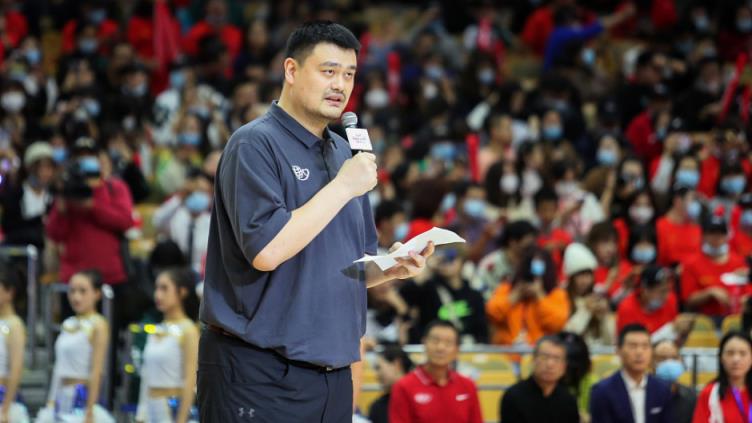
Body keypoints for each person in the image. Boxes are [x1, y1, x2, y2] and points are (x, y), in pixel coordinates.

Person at [197, 21, 435, 423]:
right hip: (258, 370)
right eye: (328, 71)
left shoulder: (345, 155)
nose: (340, 85)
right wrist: (343, 186)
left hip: (332, 374)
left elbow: (348, 265)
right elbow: (267, 250)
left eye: (349, 74)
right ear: (291, 70)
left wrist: (389, 268)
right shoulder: (255, 143)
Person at [36, 270, 114, 423]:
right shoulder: (68, 324)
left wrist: (90, 410)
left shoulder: (98, 324)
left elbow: (97, 370)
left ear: (97, 294)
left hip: (81, 397)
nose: (76, 297)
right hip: (61, 396)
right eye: (72, 291)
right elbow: (59, 367)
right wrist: (51, 401)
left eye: (83, 291)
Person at [136, 268, 199, 423]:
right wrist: (140, 415)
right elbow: (146, 376)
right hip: (150, 409)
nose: (158, 295)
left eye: (164, 288)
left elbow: (190, 380)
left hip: (172, 409)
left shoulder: (189, 330)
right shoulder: (156, 330)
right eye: (156, 288)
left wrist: (181, 419)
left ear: (182, 292)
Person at [388, 321, 482, 423]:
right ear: (424, 343)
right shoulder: (403, 387)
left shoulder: (468, 386)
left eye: (448, 343)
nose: (440, 347)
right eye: (435, 341)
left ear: (457, 349)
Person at [400, 246, 489, 344]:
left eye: (451, 257)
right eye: (442, 258)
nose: (445, 262)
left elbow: (482, 330)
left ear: (462, 262)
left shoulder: (473, 295)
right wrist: (428, 267)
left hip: (465, 347)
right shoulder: (429, 289)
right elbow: (405, 295)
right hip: (433, 345)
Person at [590, 324, 673, 422]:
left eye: (645, 346)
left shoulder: (662, 389)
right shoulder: (602, 391)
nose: (639, 352)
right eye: (633, 346)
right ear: (618, 350)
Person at [486, 247, 570, 345]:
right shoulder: (506, 289)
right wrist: (514, 297)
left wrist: (540, 296)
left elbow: (557, 324)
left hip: (540, 351)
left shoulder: (557, 294)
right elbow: (491, 314)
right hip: (507, 351)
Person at [500, 335, 580, 423]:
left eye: (556, 358)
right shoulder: (513, 397)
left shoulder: (568, 400)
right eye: (544, 357)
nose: (550, 364)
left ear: (564, 366)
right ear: (533, 360)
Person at [681, 216, 749, 318]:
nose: (717, 237)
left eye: (721, 233)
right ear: (703, 235)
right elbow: (688, 300)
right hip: (705, 318)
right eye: (712, 233)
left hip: (736, 317)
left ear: (726, 236)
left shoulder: (739, 262)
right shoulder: (691, 264)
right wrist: (710, 293)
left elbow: (747, 293)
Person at [563, 243, 616, 346]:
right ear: (571, 278)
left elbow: (609, 342)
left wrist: (603, 316)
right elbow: (568, 336)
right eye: (580, 275)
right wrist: (586, 310)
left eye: (588, 275)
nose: (585, 281)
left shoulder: (598, 298)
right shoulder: (562, 298)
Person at [692, 331, 752, 423]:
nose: (736, 359)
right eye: (730, 353)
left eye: (743, 353)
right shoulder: (709, 393)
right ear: (721, 358)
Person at [0, 259, 29, 423]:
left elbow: (16, 369)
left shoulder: (15, 325)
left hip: (3, 398)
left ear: (9, 292)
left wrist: (6, 408)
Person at [616, 265, 678, 335]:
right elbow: (631, 340)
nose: (667, 296)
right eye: (662, 291)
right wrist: (669, 330)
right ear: (645, 290)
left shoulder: (671, 300)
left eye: (668, 290)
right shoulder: (627, 308)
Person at [653, 339, 696, 423]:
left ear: (681, 360)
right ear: (651, 362)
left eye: (674, 358)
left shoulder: (691, 396)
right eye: (662, 358)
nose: (669, 362)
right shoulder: (643, 395)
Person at [368, 344, 414, 423]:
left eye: (379, 368)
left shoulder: (421, 399)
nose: (377, 375)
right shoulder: (378, 407)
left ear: (397, 364)